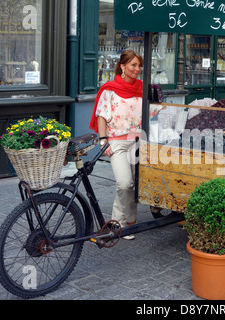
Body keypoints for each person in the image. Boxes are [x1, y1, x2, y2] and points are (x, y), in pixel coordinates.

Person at [89, 49, 144, 240]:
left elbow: (147, 114)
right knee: (124, 182)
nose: (137, 69)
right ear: (122, 66)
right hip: (117, 142)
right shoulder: (110, 89)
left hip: (138, 142)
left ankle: (118, 222)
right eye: (133, 65)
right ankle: (129, 222)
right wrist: (103, 141)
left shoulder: (142, 88)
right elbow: (101, 116)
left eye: (139, 65)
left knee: (133, 185)